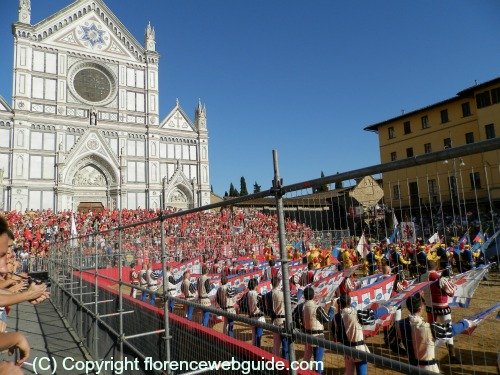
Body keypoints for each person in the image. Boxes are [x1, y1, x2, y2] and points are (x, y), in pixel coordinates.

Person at [394, 294, 473, 373]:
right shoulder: (429, 328)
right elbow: (451, 330)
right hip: (429, 370)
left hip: (412, 368)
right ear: (420, 308)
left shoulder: (399, 325)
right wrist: (466, 323)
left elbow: (392, 342)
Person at [421, 261, 458, 362]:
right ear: (436, 267)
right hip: (442, 307)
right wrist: (452, 283)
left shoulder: (422, 276)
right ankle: (452, 355)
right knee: (448, 329)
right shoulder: (439, 277)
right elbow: (451, 293)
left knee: (433, 331)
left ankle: (430, 355)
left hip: (429, 307)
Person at [295, 286, 332, 373]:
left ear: (304, 296)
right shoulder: (316, 307)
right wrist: (332, 308)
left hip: (307, 335)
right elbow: (327, 319)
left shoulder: (301, 306)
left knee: (306, 357)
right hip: (317, 337)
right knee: (318, 361)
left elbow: (295, 317)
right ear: (313, 295)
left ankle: (301, 373)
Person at [333, 294, 369, 375]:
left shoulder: (336, 317)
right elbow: (370, 318)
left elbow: (336, 337)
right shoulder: (355, 312)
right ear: (349, 302)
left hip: (347, 350)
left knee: (349, 372)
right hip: (359, 349)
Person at [271, 276, 289, 360]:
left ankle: (275, 363)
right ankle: (285, 363)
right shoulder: (282, 293)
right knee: (285, 343)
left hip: (273, 319)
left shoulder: (268, 293)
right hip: (282, 320)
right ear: (278, 283)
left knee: (276, 343)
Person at [247, 278, 264, 347]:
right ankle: (258, 352)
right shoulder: (257, 294)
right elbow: (261, 304)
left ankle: (253, 351)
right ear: (255, 285)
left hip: (251, 315)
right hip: (258, 316)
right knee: (259, 335)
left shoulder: (248, 293)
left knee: (254, 335)